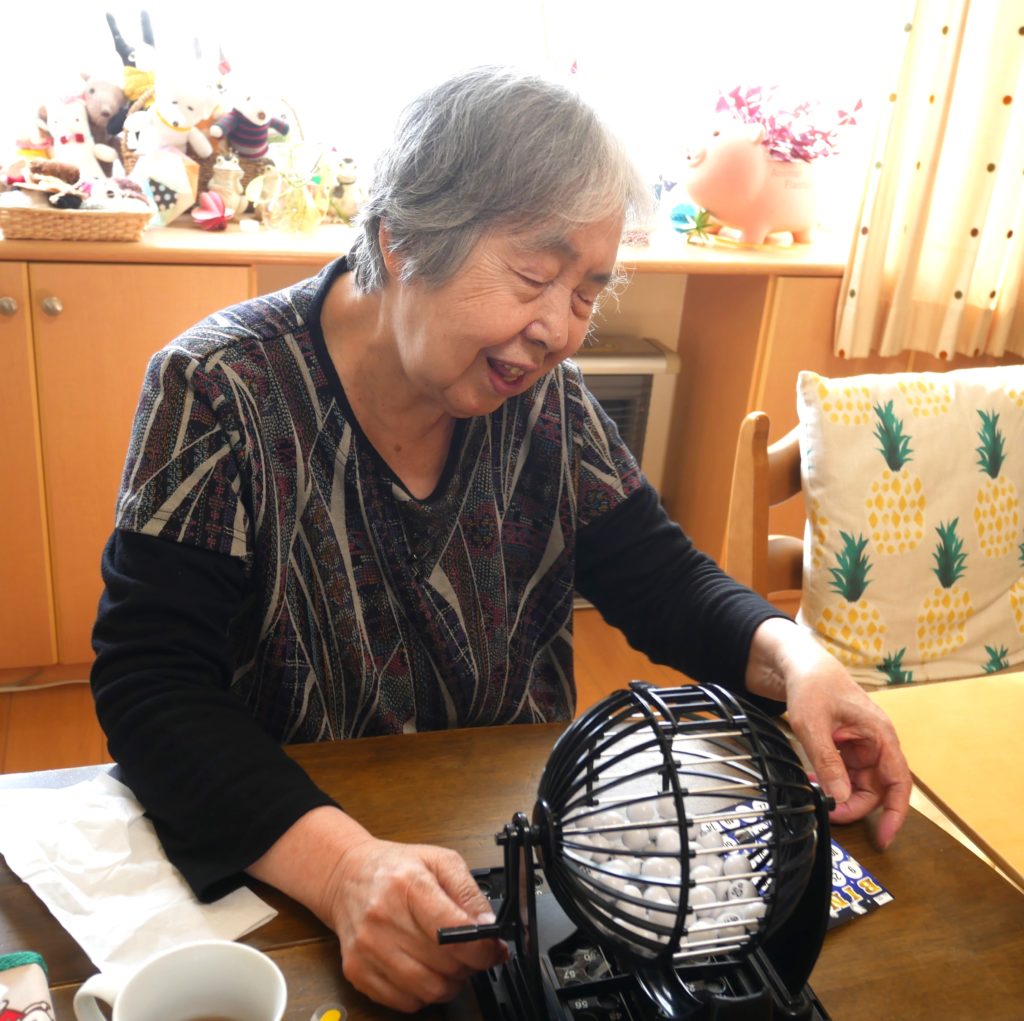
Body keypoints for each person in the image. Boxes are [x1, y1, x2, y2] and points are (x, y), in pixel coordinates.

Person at [91, 66, 911, 1014]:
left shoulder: (542, 397)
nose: (559, 330)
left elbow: (661, 579)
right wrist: (345, 868)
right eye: (533, 276)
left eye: (588, 292)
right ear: (402, 241)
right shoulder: (218, 387)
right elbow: (152, 685)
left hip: (517, 830)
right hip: (293, 854)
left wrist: (798, 660)